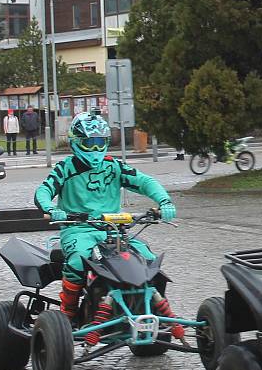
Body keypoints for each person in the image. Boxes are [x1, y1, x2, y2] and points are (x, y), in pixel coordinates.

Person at [34, 110, 177, 321]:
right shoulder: (66, 168)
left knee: (148, 260)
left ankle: (150, 310)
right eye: (89, 142)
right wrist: (51, 209)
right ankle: (68, 313)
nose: (94, 148)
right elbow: (43, 191)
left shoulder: (114, 166)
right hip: (78, 229)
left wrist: (164, 201)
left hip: (114, 230)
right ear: (76, 142)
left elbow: (145, 181)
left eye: (99, 142)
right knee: (76, 262)